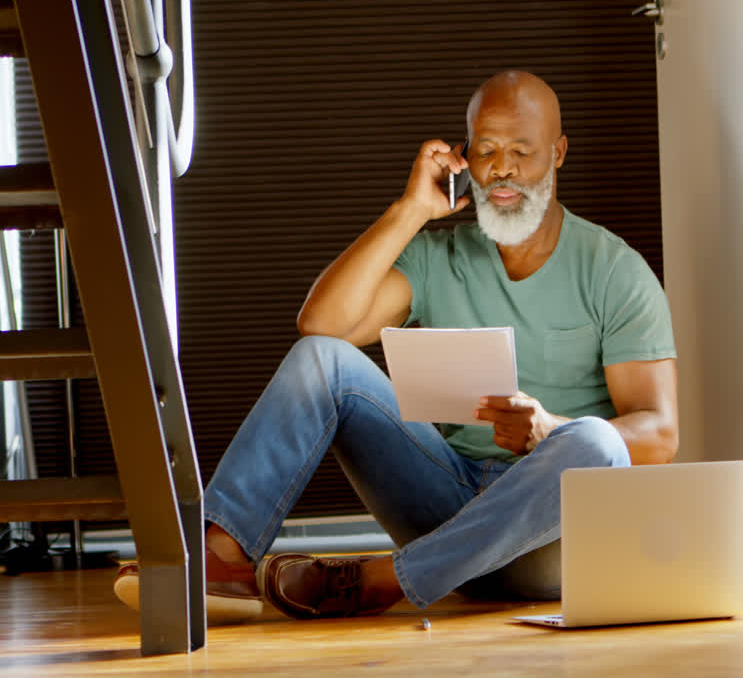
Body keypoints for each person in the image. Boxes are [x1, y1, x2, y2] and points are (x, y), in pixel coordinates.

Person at [112, 70, 679, 622]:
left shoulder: (613, 271)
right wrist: (410, 210)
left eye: (522, 151)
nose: (502, 168)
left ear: (557, 153)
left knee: (599, 445)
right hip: (446, 500)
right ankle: (222, 561)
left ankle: (382, 580)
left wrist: (550, 429)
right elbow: (322, 325)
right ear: (464, 158)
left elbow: (659, 433)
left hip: (547, 536)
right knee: (320, 362)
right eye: (485, 150)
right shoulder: (440, 257)